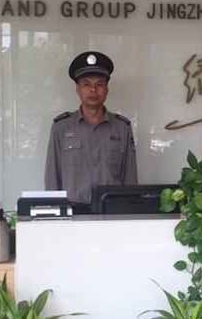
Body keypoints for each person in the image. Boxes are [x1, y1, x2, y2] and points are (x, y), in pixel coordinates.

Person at [44, 51, 138, 207]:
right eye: (86, 84)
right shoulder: (61, 128)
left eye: (99, 84)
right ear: (78, 89)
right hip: (72, 212)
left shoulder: (122, 128)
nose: (93, 90)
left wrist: (129, 210)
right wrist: (54, 213)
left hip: (111, 211)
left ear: (106, 89)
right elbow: (52, 179)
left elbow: (130, 179)